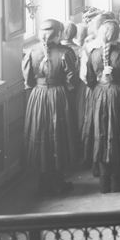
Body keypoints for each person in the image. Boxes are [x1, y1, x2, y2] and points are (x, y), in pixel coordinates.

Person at [22, 19, 78, 195]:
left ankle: (43, 181)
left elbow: (28, 81)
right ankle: (58, 180)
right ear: (58, 34)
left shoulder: (31, 52)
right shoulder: (65, 53)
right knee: (58, 135)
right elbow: (72, 82)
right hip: (58, 97)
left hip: (38, 97)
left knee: (41, 135)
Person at [81, 19, 120, 193]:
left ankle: (104, 182)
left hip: (99, 95)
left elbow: (89, 80)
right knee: (118, 134)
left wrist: (100, 80)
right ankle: (116, 181)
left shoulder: (93, 53)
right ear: (117, 34)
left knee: (101, 135)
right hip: (118, 95)